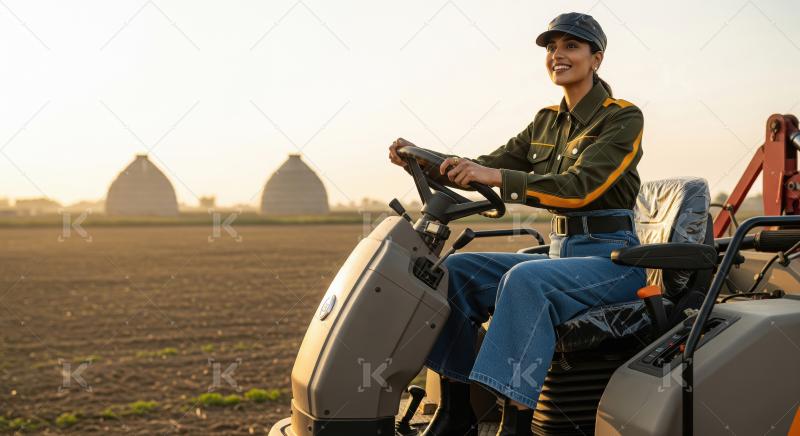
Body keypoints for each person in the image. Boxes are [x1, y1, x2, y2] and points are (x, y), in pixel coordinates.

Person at [388, 12, 647, 436]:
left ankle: (515, 424)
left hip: (614, 259)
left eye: (570, 46)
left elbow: (579, 188)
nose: (557, 55)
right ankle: (457, 413)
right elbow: (487, 166)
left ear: (596, 58)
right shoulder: (546, 121)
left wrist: (494, 177)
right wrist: (425, 162)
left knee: (526, 281)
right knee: (455, 272)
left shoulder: (622, 118)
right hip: (561, 253)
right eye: (551, 48)